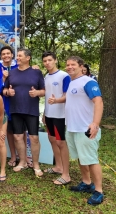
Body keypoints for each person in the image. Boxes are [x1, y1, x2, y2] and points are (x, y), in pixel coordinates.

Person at [65, 56, 104, 205]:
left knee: (91, 159)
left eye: (73, 64)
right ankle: (86, 182)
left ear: (81, 66)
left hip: (85, 129)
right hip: (72, 128)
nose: (69, 67)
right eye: (67, 65)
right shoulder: (71, 82)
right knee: (81, 158)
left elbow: (98, 101)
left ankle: (99, 190)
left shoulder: (88, 82)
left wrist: (95, 123)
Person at [3, 48, 45, 177]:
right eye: (18, 56)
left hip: (31, 110)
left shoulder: (36, 72)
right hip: (15, 110)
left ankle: (36, 164)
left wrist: (37, 93)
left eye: (20, 56)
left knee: (34, 137)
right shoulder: (12, 73)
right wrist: (8, 92)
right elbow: (4, 90)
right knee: (17, 136)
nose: (18, 58)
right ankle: (22, 162)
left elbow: (43, 91)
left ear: (28, 58)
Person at [42, 52, 71, 185]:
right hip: (48, 114)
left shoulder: (64, 76)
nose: (47, 63)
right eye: (45, 61)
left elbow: (67, 96)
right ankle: (58, 167)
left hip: (60, 115)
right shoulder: (46, 76)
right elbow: (47, 96)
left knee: (61, 143)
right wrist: (44, 113)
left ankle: (66, 174)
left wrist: (57, 100)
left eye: (49, 60)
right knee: (52, 140)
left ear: (55, 60)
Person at [0, 46, 19, 167]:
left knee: (21, 132)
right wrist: (3, 77)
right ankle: (13, 156)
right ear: (1, 56)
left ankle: (24, 158)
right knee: (9, 131)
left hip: (19, 104)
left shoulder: (19, 68)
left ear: (12, 55)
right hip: (5, 105)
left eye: (8, 53)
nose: (6, 56)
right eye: (3, 54)